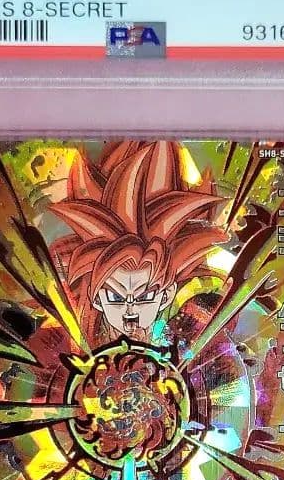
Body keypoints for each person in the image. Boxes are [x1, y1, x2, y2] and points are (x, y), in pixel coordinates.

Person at [50, 141, 228, 343]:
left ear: (166, 295)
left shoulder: (191, 327)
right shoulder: (67, 336)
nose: (130, 313)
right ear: (96, 297)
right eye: (116, 298)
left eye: (144, 297)